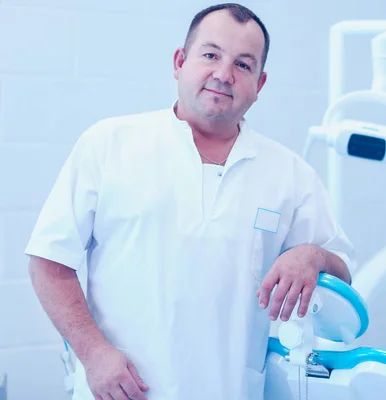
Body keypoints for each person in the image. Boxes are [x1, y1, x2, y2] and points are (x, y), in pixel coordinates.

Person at [25, 3, 355, 400]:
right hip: (122, 393)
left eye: (243, 64)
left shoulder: (290, 175)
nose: (223, 74)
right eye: (211, 55)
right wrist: (94, 354)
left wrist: (312, 256)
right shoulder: (109, 144)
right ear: (180, 61)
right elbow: (48, 260)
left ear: (260, 83)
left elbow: (343, 273)